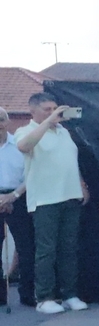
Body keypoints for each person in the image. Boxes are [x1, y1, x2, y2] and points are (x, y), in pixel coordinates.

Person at [15, 93, 90, 315]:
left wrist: (81, 185)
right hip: (45, 199)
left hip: (70, 196)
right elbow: (24, 147)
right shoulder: (26, 130)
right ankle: (44, 297)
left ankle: (69, 294)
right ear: (33, 111)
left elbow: (69, 161)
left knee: (69, 248)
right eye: (47, 109)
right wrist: (48, 121)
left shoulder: (64, 132)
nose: (53, 113)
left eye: (55, 108)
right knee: (46, 250)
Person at [0, 109, 34, 308]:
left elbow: (31, 174)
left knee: (26, 246)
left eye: (1, 120)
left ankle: (28, 293)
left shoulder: (20, 146)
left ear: (8, 121)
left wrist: (13, 196)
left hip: (19, 196)